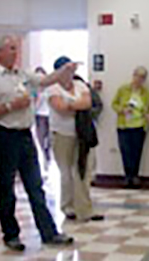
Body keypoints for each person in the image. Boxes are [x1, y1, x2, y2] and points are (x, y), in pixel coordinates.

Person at [0, 35, 76, 251]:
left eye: (15, 48)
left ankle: (49, 233)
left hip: (25, 135)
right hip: (4, 136)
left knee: (35, 186)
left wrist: (64, 71)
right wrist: (11, 106)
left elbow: (45, 81)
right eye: (11, 48)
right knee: (6, 188)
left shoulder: (23, 74)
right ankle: (11, 234)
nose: (15, 52)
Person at [48, 56, 104, 222]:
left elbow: (87, 103)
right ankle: (68, 206)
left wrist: (71, 105)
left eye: (71, 69)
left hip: (82, 135)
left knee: (83, 172)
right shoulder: (53, 88)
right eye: (66, 69)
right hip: (61, 135)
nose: (70, 73)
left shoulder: (80, 85)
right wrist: (74, 105)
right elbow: (60, 108)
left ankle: (85, 209)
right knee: (66, 173)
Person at [112, 66, 149, 188]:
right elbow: (114, 104)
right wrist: (122, 110)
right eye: (137, 76)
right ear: (133, 76)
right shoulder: (123, 90)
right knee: (125, 151)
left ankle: (135, 176)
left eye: (142, 77)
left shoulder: (146, 93)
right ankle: (127, 176)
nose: (139, 79)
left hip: (139, 126)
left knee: (136, 152)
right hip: (123, 125)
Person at [34, 67, 52, 171]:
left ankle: (48, 154)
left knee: (49, 138)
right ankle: (44, 156)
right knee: (40, 137)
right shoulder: (35, 89)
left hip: (49, 115)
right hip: (39, 115)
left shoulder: (50, 88)